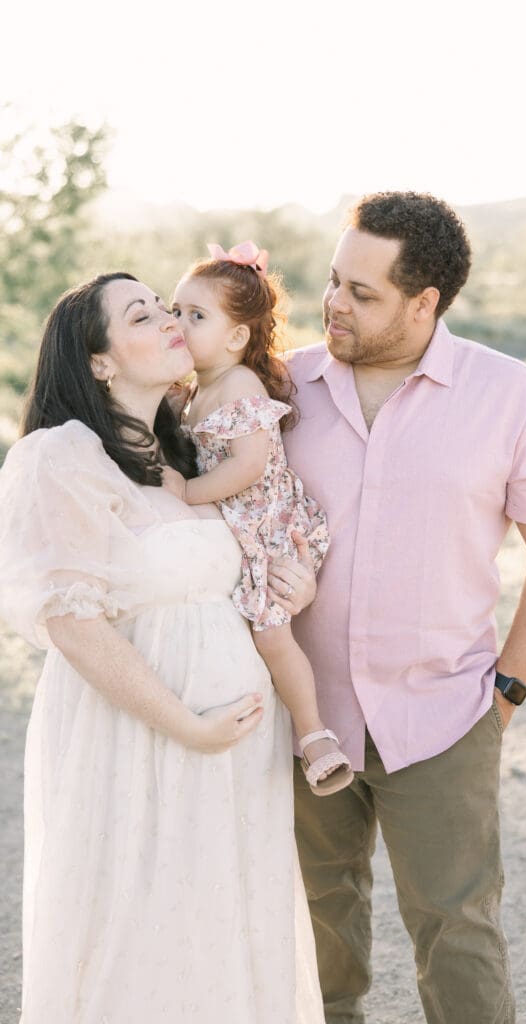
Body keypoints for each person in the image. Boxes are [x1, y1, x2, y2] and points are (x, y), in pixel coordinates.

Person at [281, 192, 526, 1024]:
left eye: (363, 292)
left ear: (425, 303)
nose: (334, 304)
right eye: (333, 281)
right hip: (300, 713)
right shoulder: (280, 387)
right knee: (313, 925)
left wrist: (508, 692)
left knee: (456, 932)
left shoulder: (511, 395)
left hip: (445, 714)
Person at [0, 273, 324, 1023]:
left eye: (171, 307)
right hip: (139, 739)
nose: (171, 320)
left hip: (237, 745)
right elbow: (73, 623)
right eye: (143, 315)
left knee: (224, 924)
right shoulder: (63, 456)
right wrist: (185, 725)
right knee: (141, 927)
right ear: (99, 362)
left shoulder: (186, 454)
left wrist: (292, 586)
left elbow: (226, 582)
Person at [167, 241, 353, 796]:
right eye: (174, 310)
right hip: (239, 528)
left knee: (271, 636)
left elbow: (249, 467)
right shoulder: (193, 389)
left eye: (196, 316)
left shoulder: (239, 386)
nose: (177, 323)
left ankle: (315, 734)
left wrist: (188, 493)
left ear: (236, 336)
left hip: (271, 530)